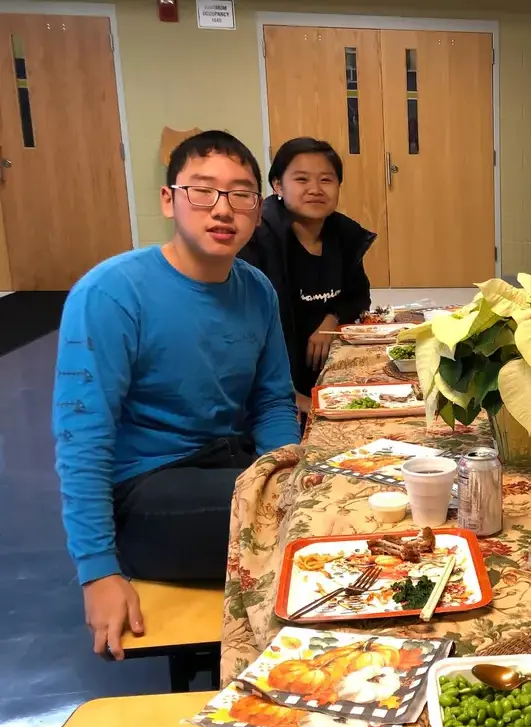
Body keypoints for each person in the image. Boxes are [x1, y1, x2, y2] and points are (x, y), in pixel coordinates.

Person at [52, 130, 300, 660]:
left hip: (225, 464)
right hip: (146, 490)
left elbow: (273, 402)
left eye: (240, 194)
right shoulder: (112, 292)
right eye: (202, 191)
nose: (222, 209)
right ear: (169, 200)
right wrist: (97, 571)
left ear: (258, 209)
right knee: (305, 526)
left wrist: (286, 474)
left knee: (328, 493)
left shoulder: (256, 289)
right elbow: (82, 437)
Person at [240, 137, 374, 414]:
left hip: (327, 376)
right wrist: (290, 396)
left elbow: (358, 295)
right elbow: (247, 333)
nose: (315, 189)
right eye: (301, 179)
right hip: (274, 391)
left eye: (326, 180)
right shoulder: (257, 240)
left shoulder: (344, 234)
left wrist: (331, 319)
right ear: (278, 185)